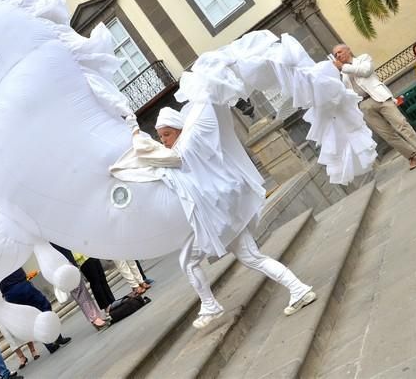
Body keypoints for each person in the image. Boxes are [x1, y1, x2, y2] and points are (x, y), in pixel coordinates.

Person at [113, 107, 316, 329]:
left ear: (180, 130)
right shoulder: (183, 149)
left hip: (217, 222)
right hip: (222, 219)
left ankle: (211, 305)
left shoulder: (185, 149)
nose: (164, 141)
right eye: (160, 136)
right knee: (250, 257)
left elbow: (151, 154)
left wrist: (134, 130)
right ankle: (298, 289)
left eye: (167, 134)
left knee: (190, 262)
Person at [332, 44, 416, 169]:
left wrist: (344, 67)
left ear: (348, 50)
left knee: (402, 125)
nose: (338, 55)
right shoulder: (343, 74)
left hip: (380, 98)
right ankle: (412, 156)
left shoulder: (363, 59)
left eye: (340, 52)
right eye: (335, 55)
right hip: (364, 105)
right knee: (387, 134)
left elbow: (366, 72)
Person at [0, 268, 72, 355]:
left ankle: (49, 344)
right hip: (21, 285)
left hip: (10, 294)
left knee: (32, 318)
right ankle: (56, 337)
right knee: (43, 307)